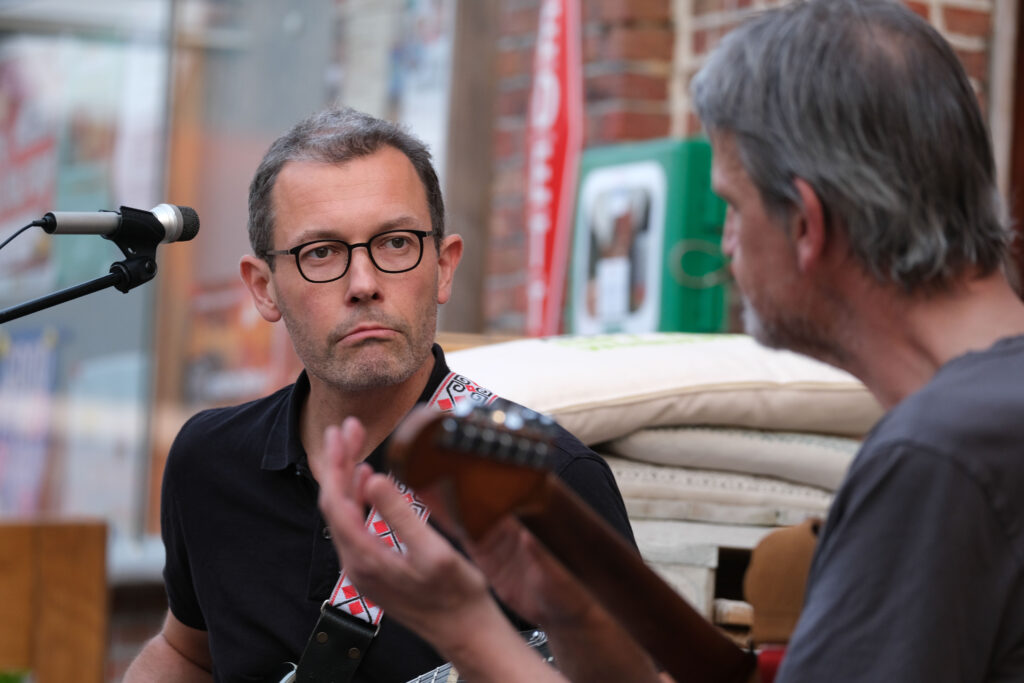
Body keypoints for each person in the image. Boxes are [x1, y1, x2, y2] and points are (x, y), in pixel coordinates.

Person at [316, 1, 1024, 681]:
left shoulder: (940, 456)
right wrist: (569, 608)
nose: (724, 248)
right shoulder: (982, 426)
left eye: (733, 207)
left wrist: (464, 625)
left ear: (806, 223)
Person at [123, 107, 636, 682]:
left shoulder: (550, 482)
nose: (364, 284)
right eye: (321, 252)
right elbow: (187, 652)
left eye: (395, 243)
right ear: (264, 289)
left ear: (443, 267)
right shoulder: (208, 461)